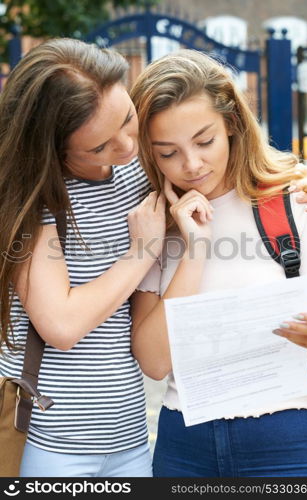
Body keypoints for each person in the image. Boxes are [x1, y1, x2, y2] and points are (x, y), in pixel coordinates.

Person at [130, 49, 307, 477]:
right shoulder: (155, 220)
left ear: (232, 123)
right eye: (167, 152)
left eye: (204, 141)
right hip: (185, 445)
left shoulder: (298, 200)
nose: (191, 165)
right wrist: (194, 249)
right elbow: (155, 363)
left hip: (290, 440)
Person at [0, 37, 166, 477]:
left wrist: (298, 185)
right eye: (98, 147)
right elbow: (63, 325)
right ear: (52, 147)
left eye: (127, 118)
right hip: (47, 443)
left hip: (131, 437)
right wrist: (141, 251)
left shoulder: (144, 163)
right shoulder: (31, 197)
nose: (127, 147)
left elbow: (230, 172)